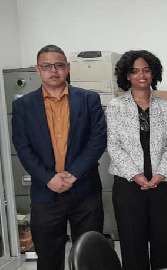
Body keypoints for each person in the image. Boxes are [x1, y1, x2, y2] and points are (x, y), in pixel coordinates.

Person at [12, 45, 106, 270]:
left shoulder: (88, 99)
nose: (53, 71)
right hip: (46, 194)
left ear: (68, 68)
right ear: (38, 69)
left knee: (89, 256)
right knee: (48, 258)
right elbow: (23, 147)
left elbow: (98, 141)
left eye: (59, 65)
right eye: (46, 66)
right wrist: (49, 178)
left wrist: (73, 175)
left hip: (85, 192)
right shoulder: (23, 106)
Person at [105, 50, 167, 269]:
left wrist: (160, 175)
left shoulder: (165, 107)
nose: (141, 75)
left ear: (153, 73)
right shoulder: (116, 106)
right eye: (135, 71)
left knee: (162, 241)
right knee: (132, 242)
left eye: (146, 70)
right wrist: (136, 176)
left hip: (161, 184)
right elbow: (113, 145)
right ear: (127, 76)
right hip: (128, 185)